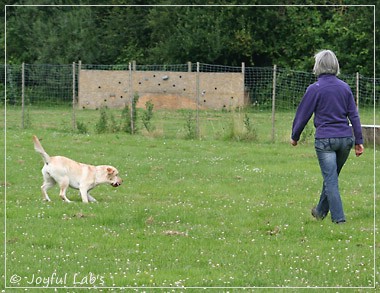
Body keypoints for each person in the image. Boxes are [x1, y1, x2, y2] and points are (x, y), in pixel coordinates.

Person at [291, 49, 364, 224]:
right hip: (346, 140)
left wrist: (295, 136)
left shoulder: (315, 88)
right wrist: (359, 141)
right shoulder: (345, 87)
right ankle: (320, 212)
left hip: (325, 141)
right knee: (331, 177)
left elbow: (303, 115)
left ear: (317, 66)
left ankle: (339, 219)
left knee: (330, 180)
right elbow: (354, 115)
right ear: (335, 66)